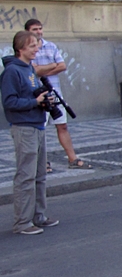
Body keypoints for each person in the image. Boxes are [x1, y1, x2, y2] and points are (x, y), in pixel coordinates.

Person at [2, 30, 58, 235]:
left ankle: (38, 215)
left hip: (38, 123)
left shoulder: (30, 69)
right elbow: (9, 102)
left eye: (37, 45)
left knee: (40, 174)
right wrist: (35, 102)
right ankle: (22, 222)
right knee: (26, 175)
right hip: (24, 126)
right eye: (32, 46)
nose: (37, 49)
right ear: (20, 48)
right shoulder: (12, 71)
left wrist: (44, 101)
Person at [25, 19, 91, 170]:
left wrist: (43, 71)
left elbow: (62, 66)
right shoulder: (27, 49)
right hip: (38, 95)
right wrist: (52, 66)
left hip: (55, 93)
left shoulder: (51, 46)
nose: (39, 32)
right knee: (39, 130)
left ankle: (72, 159)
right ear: (28, 31)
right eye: (35, 29)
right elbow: (33, 71)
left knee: (62, 126)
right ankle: (42, 162)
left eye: (40, 28)